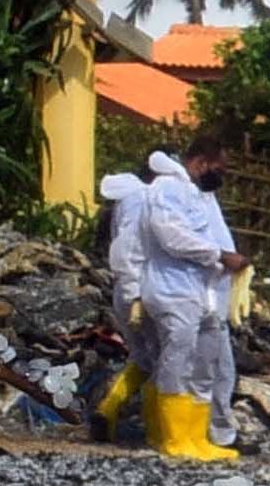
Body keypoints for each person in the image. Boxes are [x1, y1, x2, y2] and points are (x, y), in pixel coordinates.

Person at [137, 144, 245, 464]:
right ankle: (173, 437)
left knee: (205, 363)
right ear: (201, 162)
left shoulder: (196, 193)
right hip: (173, 289)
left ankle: (196, 437)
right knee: (177, 361)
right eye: (219, 169)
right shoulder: (167, 188)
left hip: (202, 291)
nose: (221, 177)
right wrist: (219, 255)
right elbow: (172, 237)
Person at [90, 156, 159, 430]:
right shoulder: (142, 200)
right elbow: (128, 248)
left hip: (129, 288)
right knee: (164, 359)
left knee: (143, 358)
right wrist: (136, 294)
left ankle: (109, 410)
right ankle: (158, 428)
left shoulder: (129, 198)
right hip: (139, 289)